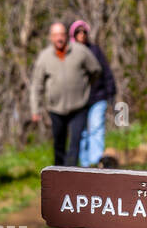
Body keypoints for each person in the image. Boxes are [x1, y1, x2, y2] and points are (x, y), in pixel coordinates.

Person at [30, 21, 101, 166]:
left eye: (61, 34)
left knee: (75, 142)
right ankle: (58, 178)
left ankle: (72, 177)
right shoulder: (44, 57)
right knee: (59, 144)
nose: (59, 38)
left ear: (67, 35)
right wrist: (35, 109)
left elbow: (96, 70)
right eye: (56, 35)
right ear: (51, 38)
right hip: (56, 109)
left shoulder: (80, 51)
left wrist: (86, 87)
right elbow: (37, 85)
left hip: (79, 106)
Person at [70, 20, 116, 168]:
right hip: (78, 101)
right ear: (73, 34)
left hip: (98, 97)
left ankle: (96, 162)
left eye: (84, 32)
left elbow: (106, 72)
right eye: (78, 32)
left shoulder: (95, 51)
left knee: (96, 128)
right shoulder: (69, 53)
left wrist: (110, 92)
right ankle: (85, 165)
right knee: (82, 133)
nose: (82, 35)